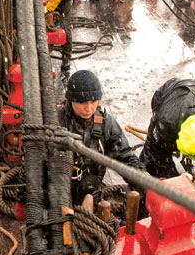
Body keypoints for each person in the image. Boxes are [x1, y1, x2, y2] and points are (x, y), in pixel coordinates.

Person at [57, 70, 143, 209]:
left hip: (91, 193)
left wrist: (144, 178)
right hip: (57, 191)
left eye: (93, 101)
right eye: (83, 102)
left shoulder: (106, 124)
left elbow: (125, 157)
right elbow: (34, 158)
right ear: (71, 99)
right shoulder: (55, 122)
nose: (89, 108)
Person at [40, 0, 78, 74]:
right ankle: (45, 54)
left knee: (65, 27)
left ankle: (66, 58)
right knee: (47, 25)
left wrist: (47, 8)